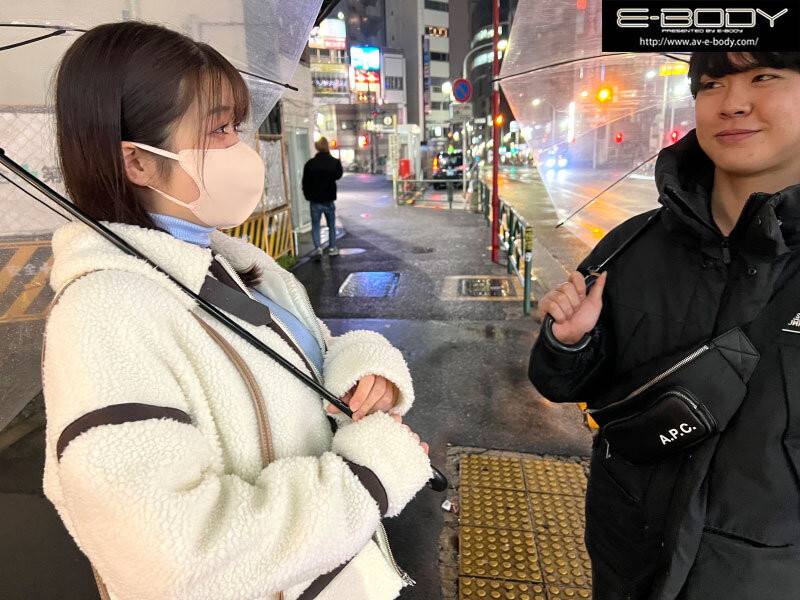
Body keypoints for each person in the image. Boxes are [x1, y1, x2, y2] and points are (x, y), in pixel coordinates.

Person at [42, 22, 432, 600]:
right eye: (218, 129)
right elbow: (173, 555)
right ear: (137, 161)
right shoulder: (102, 315)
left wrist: (362, 369)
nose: (240, 148)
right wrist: (369, 477)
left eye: (237, 127)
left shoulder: (238, 262)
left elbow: (312, 344)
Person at [529, 52, 800, 599]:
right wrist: (568, 343)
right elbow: (560, 383)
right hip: (624, 559)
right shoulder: (632, 246)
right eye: (711, 84)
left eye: (763, 76)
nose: (733, 103)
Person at [302, 137, 343, 258]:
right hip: (329, 199)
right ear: (327, 146)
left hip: (315, 200)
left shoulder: (310, 164)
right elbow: (338, 175)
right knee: (331, 225)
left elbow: (305, 182)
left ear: (317, 147)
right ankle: (332, 248)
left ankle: (318, 249)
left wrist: (308, 196)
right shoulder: (334, 162)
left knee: (315, 225)